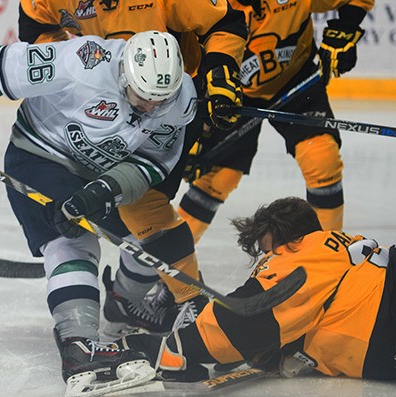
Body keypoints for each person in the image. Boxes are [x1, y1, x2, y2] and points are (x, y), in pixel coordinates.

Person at [0, 31, 199, 390]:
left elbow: (152, 162)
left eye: (160, 101)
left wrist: (102, 191)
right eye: (143, 98)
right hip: (39, 157)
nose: (151, 108)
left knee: (149, 239)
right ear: (123, 74)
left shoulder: (180, 99)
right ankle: (79, 345)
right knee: (74, 241)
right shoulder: (84, 62)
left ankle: (124, 306)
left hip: (100, 174)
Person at [117, 197, 396, 396]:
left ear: (286, 239)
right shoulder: (336, 243)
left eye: (267, 248)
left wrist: (171, 348)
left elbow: (245, 316)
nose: (265, 258)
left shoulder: (298, 254)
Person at [15, 0, 248, 337]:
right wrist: (71, 65)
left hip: (165, 107)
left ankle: (169, 299)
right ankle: (143, 298)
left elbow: (225, 22)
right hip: (99, 107)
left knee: (146, 208)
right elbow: (35, 26)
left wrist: (221, 69)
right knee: (128, 212)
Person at [178, 0, 375, 243]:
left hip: (295, 79)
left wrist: (346, 26)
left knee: (321, 158)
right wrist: (194, 127)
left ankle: (327, 256)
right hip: (228, 93)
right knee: (215, 179)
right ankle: (168, 264)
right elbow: (187, 62)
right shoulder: (207, 5)